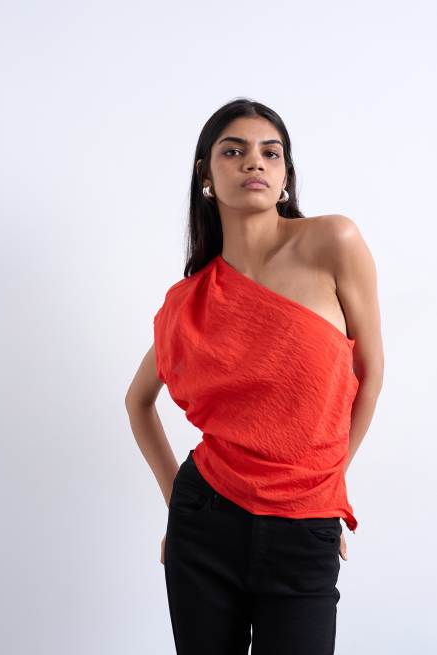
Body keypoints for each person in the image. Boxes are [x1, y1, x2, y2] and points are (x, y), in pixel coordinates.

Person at [125, 97, 384, 655]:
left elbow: (371, 373)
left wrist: (325, 486)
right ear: (205, 174)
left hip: (305, 523)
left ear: (286, 174)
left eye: (271, 153)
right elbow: (138, 401)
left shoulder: (332, 242)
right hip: (205, 524)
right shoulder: (190, 300)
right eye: (234, 151)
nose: (254, 163)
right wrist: (178, 507)